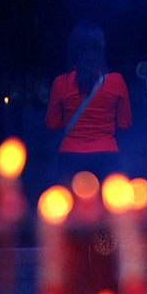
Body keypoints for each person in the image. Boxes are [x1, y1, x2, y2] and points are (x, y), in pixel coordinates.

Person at [45, 21, 132, 185]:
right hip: (107, 156)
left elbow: (52, 123)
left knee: (70, 201)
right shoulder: (116, 81)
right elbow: (125, 123)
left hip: (70, 157)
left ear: (73, 48)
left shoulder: (60, 83)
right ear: (101, 47)